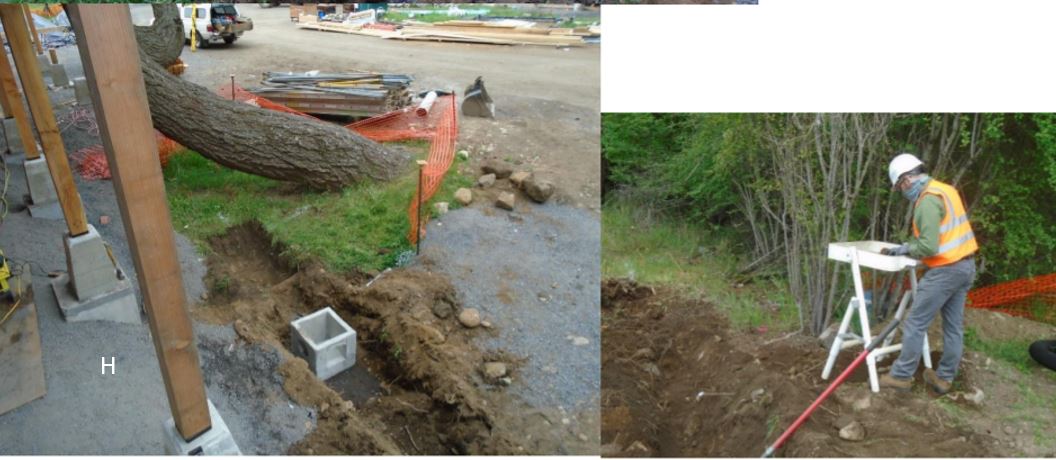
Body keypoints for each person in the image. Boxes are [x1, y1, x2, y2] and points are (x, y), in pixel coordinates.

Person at [878, 153, 977, 394]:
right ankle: (944, 378)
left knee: (914, 323)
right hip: (965, 266)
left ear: (907, 179)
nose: (903, 191)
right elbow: (943, 235)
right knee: (953, 327)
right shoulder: (945, 190)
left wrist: (906, 248)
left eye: (901, 185)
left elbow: (929, 246)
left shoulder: (927, 201)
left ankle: (901, 376)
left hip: (946, 270)